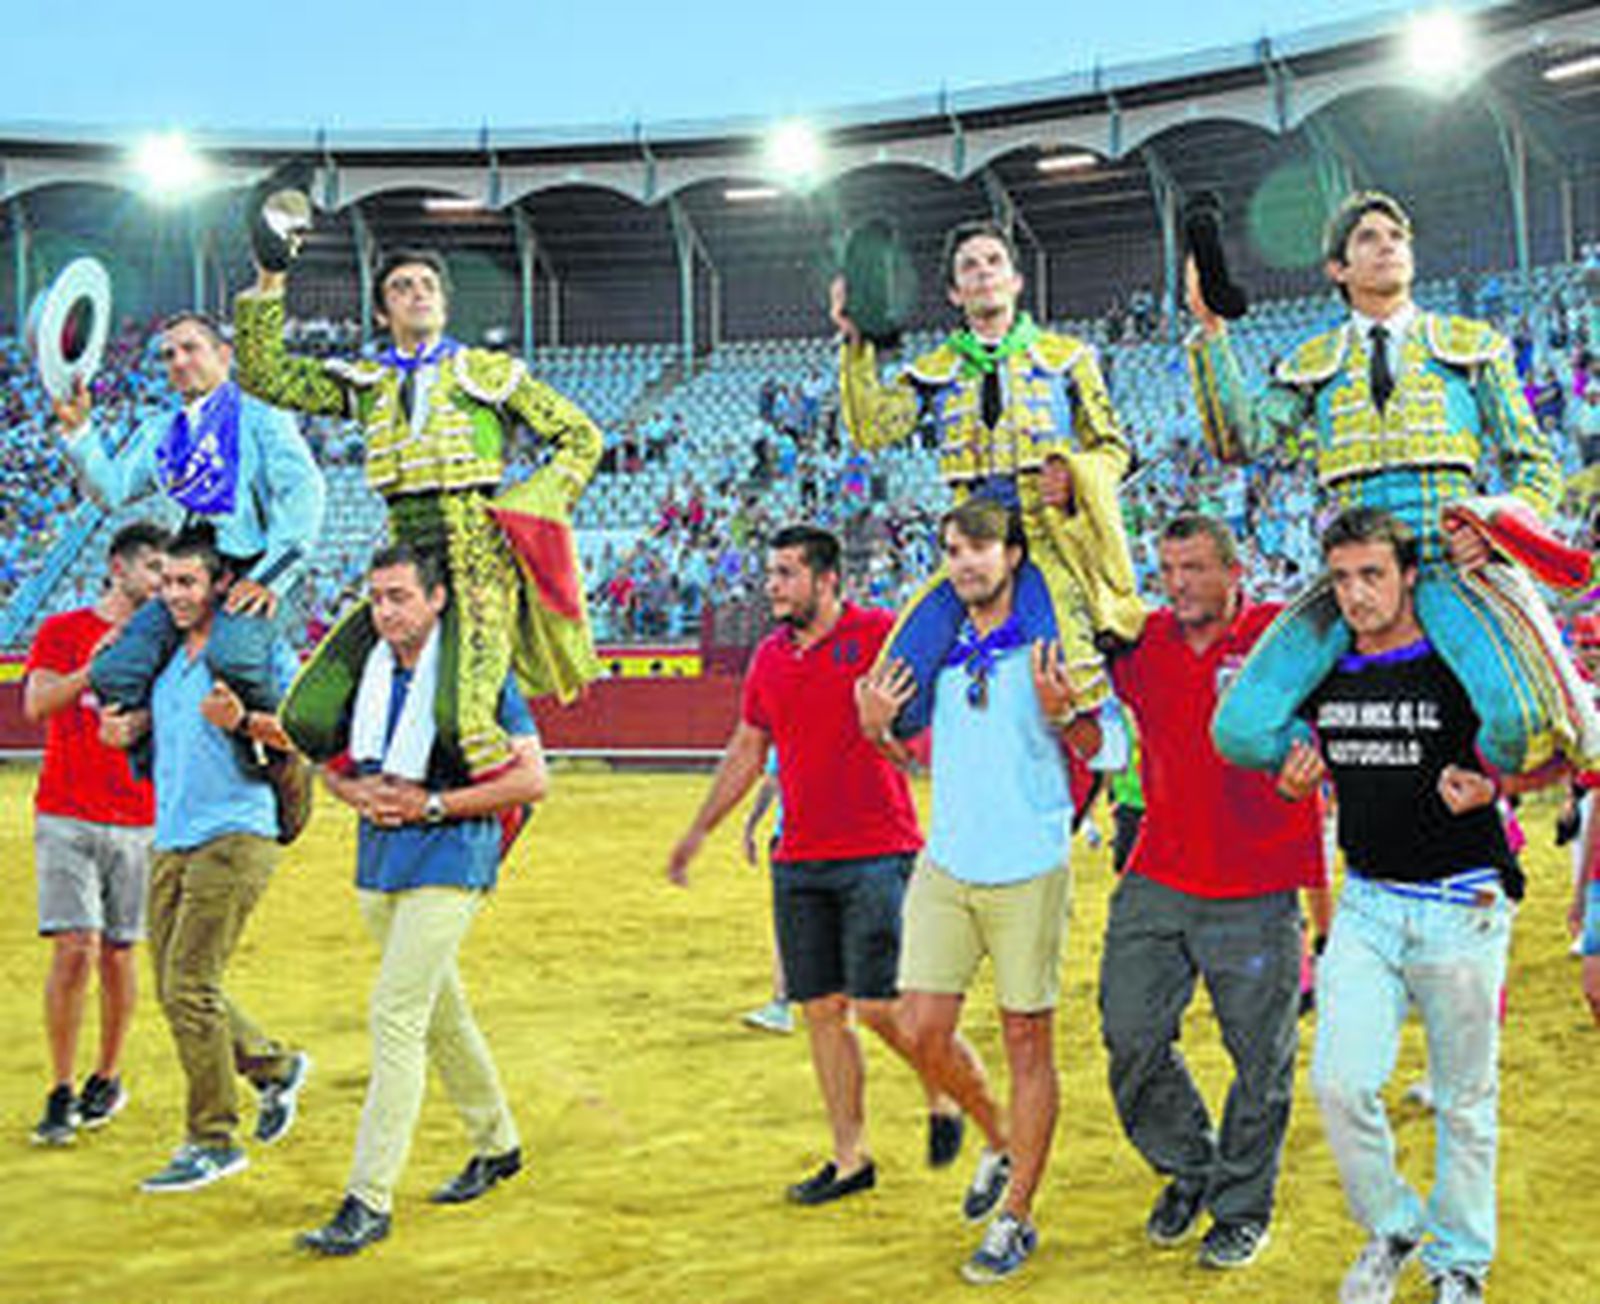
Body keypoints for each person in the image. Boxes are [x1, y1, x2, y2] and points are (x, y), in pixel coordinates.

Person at [1187, 190, 1598, 779]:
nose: (1388, 247)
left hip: (1447, 562)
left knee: (1520, 726)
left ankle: (1441, 765)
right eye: (1368, 239)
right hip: (1351, 571)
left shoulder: (1470, 345)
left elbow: (1533, 464)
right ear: (1338, 269)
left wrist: (1497, 532)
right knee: (1241, 730)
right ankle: (1368, 761)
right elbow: (1240, 442)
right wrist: (1210, 332)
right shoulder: (1313, 360)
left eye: (1397, 237)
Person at [856, 497, 1127, 1284]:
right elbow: (903, 748)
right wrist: (876, 726)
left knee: (1026, 1042)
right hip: (946, 866)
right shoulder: (936, 648)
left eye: (980, 548)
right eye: (952, 549)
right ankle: (1001, 1141)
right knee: (920, 1026)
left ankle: (1017, 1214)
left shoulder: (1055, 649)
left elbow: (1110, 747)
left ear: (1013, 556)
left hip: (1029, 869)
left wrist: (1064, 712)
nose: (966, 562)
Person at [667, 524, 962, 1204]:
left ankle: (941, 1091)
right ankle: (850, 1158)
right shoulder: (768, 658)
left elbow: (924, 727)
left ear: (827, 580)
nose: (772, 585)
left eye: (787, 574)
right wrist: (700, 830)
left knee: (885, 1005)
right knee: (823, 1011)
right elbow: (747, 747)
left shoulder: (883, 633)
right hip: (799, 857)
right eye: (771, 573)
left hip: (880, 851)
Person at [234, 247, 602, 781]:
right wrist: (270, 274)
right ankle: (378, 781)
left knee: (463, 724)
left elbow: (581, 437)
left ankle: (488, 818)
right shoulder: (366, 382)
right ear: (382, 313)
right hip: (402, 564)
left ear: (444, 303)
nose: (418, 293)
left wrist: (529, 507)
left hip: (478, 560)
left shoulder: (486, 373)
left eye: (427, 284)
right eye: (402, 287)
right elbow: (266, 375)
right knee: (307, 716)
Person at [1276, 508, 1521, 1304]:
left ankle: (1460, 1263)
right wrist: (1290, 778)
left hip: (1463, 900)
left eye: (1373, 574)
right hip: (1369, 902)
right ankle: (1394, 1222)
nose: (1356, 593)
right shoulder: (1325, 668)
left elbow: (1560, 744)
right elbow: (1288, 754)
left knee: (1463, 1101)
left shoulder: (1459, 660)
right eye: (1342, 577)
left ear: (1409, 574)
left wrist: (1501, 785)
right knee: (1339, 1085)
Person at [298, 544, 544, 1256]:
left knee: (395, 1016)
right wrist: (355, 792)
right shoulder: (364, 676)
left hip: (452, 856)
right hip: (379, 861)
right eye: (376, 597)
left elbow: (533, 781)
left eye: (400, 596)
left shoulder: (474, 677)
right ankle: (497, 1142)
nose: (384, 611)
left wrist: (434, 804)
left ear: (438, 600)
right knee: (440, 1012)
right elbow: (331, 771)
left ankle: (367, 1198)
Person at [1097, 514, 1326, 1271]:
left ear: (1236, 572)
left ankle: (1240, 1208)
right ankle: (1192, 1165)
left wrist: (1315, 760)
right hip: (1157, 873)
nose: (1179, 583)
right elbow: (1089, 726)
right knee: (1130, 1037)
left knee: (1259, 1062)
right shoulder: (1143, 641)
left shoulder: (1283, 635)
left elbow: (1336, 711)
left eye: (1195, 567)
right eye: (1168, 567)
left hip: (1258, 884)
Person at [833, 219, 1143, 737]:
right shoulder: (937, 368)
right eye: (969, 267)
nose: (983, 274)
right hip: (970, 540)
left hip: (1049, 538)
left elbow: (1113, 450)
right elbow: (871, 428)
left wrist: (1076, 474)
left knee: (1073, 682)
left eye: (994, 262)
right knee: (895, 695)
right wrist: (855, 342)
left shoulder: (1069, 359)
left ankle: (1106, 806)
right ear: (955, 292)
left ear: (1016, 281)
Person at [99, 524, 311, 1193]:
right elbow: (153, 730)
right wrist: (126, 729)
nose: (173, 594)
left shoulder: (257, 649)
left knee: (188, 986)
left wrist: (244, 722)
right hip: (174, 835)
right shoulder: (160, 656)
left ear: (223, 584)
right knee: (176, 983)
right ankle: (273, 1067)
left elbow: (306, 732)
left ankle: (213, 1139)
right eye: (165, 581)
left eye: (187, 582)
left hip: (237, 833)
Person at [53, 312, 325, 767]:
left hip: (252, 569)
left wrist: (269, 579)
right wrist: (80, 431)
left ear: (224, 354)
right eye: (168, 355)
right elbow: (113, 490)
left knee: (234, 657)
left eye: (190, 348)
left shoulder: (261, 417)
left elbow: (305, 494)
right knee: (113, 670)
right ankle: (159, 767)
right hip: (189, 575)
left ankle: (276, 762)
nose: (178, 361)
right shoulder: (160, 430)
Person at [25, 521, 167, 1146]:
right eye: (154, 570)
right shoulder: (63, 631)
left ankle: (105, 1075)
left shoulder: (165, 643)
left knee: (118, 951)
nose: (163, 582)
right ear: (119, 567)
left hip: (137, 815)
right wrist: (93, 670)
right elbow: (36, 704)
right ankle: (59, 1087)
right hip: (66, 809)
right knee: (76, 946)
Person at [740, 752, 793, 1035]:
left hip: (794, 839)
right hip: (849, 840)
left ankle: (781, 1004)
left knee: (789, 924)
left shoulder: (788, 724)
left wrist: (750, 825)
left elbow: (773, 780)